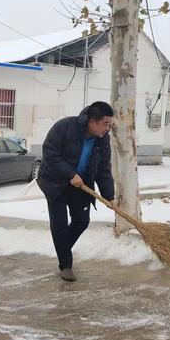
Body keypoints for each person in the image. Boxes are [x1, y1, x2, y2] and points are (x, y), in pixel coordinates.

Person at [37, 101, 115, 282]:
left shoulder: (103, 139)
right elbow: (49, 152)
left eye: (110, 125)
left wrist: (109, 196)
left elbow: (103, 168)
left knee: (81, 221)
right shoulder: (64, 127)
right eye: (105, 124)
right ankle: (65, 265)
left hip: (81, 184)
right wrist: (70, 174)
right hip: (55, 182)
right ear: (92, 122)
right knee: (60, 225)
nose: (108, 129)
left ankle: (62, 249)